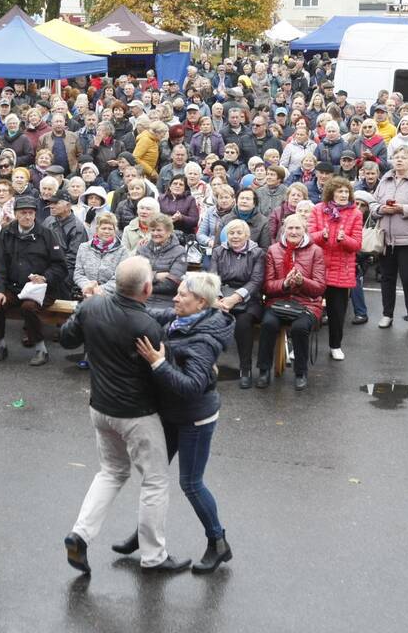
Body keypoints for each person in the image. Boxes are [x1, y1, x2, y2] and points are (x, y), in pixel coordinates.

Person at [59, 256, 190, 574]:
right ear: (147, 288)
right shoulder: (146, 326)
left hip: (101, 407)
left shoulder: (93, 307)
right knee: (155, 481)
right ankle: (154, 556)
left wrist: (83, 311)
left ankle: (80, 534)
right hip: (137, 414)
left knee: (111, 472)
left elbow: (66, 339)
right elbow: (164, 373)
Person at [134, 272, 234, 573]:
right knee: (154, 475)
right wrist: (117, 303)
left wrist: (158, 363)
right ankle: (145, 537)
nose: (174, 299)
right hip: (172, 413)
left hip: (195, 418)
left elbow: (192, 386)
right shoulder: (181, 319)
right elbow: (149, 312)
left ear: (200, 302)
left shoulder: (204, 339)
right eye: (176, 293)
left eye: (182, 295)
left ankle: (219, 543)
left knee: (191, 483)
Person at [0, 196, 67, 366]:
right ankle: (0, 345)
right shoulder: (6, 232)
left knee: (29, 307)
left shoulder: (47, 234)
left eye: (31, 213)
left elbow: (60, 266)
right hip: (13, 287)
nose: (27, 217)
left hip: (42, 289)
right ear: (15, 214)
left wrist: (45, 277)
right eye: (23, 213)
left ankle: (40, 349)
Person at [255, 213, 326, 391]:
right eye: (290, 228)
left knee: (300, 328)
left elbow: (319, 288)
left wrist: (303, 282)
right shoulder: (273, 250)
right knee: (268, 324)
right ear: (284, 230)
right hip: (278, 301)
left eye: (297, 228)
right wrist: (285, 284)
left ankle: (300, 372)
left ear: (305, 230)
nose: (293, 231)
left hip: (306, 303)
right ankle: (264, 370)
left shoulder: (316, 250)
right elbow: (267, 287)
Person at [369, 147, 408, 330]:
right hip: (386, 238)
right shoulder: (385, 180)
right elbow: (373, 203)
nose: (399, 160)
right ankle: (387, 314)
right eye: (396, 157)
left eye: (403, 158)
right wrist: (381, 209)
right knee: (387, 278)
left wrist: (402, 209)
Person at [308, 176, 363, 360]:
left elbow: (356, 244)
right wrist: (321, 236)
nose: (343, 195)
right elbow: (307, 238)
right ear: (331, 193)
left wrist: (344, 239)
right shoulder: (317, 210)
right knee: (308, 310)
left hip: (341, 270)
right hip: (316, 268)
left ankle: (335, 345)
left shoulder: (356, 214)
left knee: (337, 313)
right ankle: (300, 345)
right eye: (339, 191)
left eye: (346, 192)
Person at [211, 219, 265, 388]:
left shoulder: (257, 253)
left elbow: (256, 281)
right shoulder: (218, 251)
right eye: (231, 233)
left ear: (247, 235)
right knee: (209, 320)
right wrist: (219, 298)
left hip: (249, 299)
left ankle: (245, 369)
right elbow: (212, 277)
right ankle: (205, 367)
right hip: (222, 297)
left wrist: (234, 298)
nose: (234, 236)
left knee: (243, 324)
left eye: (239, 233)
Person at [136, 214, 187, 307]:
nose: (155, 233)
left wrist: (145, 282)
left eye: (159, 230)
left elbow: (173, 284)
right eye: (153, 230)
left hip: (166, 302)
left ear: (169, 232)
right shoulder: (142, 249)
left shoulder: (179, 252)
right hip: (141, 300)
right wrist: (157, 276)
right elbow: (135, 278)